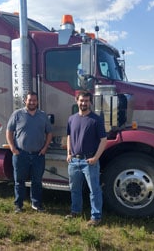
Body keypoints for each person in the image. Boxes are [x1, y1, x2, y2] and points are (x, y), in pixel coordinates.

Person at [6, 91, 52, 213]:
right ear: (25, 101)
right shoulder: (17, 114)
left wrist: (45, 148)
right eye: (30, 100)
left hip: (38, 155)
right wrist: (12, 148)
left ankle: (36, 204)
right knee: (19, 181)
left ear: (37, 101)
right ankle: (18, 205)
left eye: (34, 100)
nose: (32, 102)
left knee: (37, 181)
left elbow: (49, 133)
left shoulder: (43, 115)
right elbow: (9, 131)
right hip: (21, 154)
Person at [66, 90, 107, 226]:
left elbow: (103, 140)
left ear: (90, 102)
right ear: (77, 101)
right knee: (74, 189)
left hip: (89, 161)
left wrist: (96, 158)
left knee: (94, 190)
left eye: (86, 101)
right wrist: (68, 153)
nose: (84, 103)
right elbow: (69, 137)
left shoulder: (96, 120)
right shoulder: (71, 119)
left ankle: (96, 217)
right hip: (74, 161)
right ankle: (75, 211)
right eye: (81, 100)